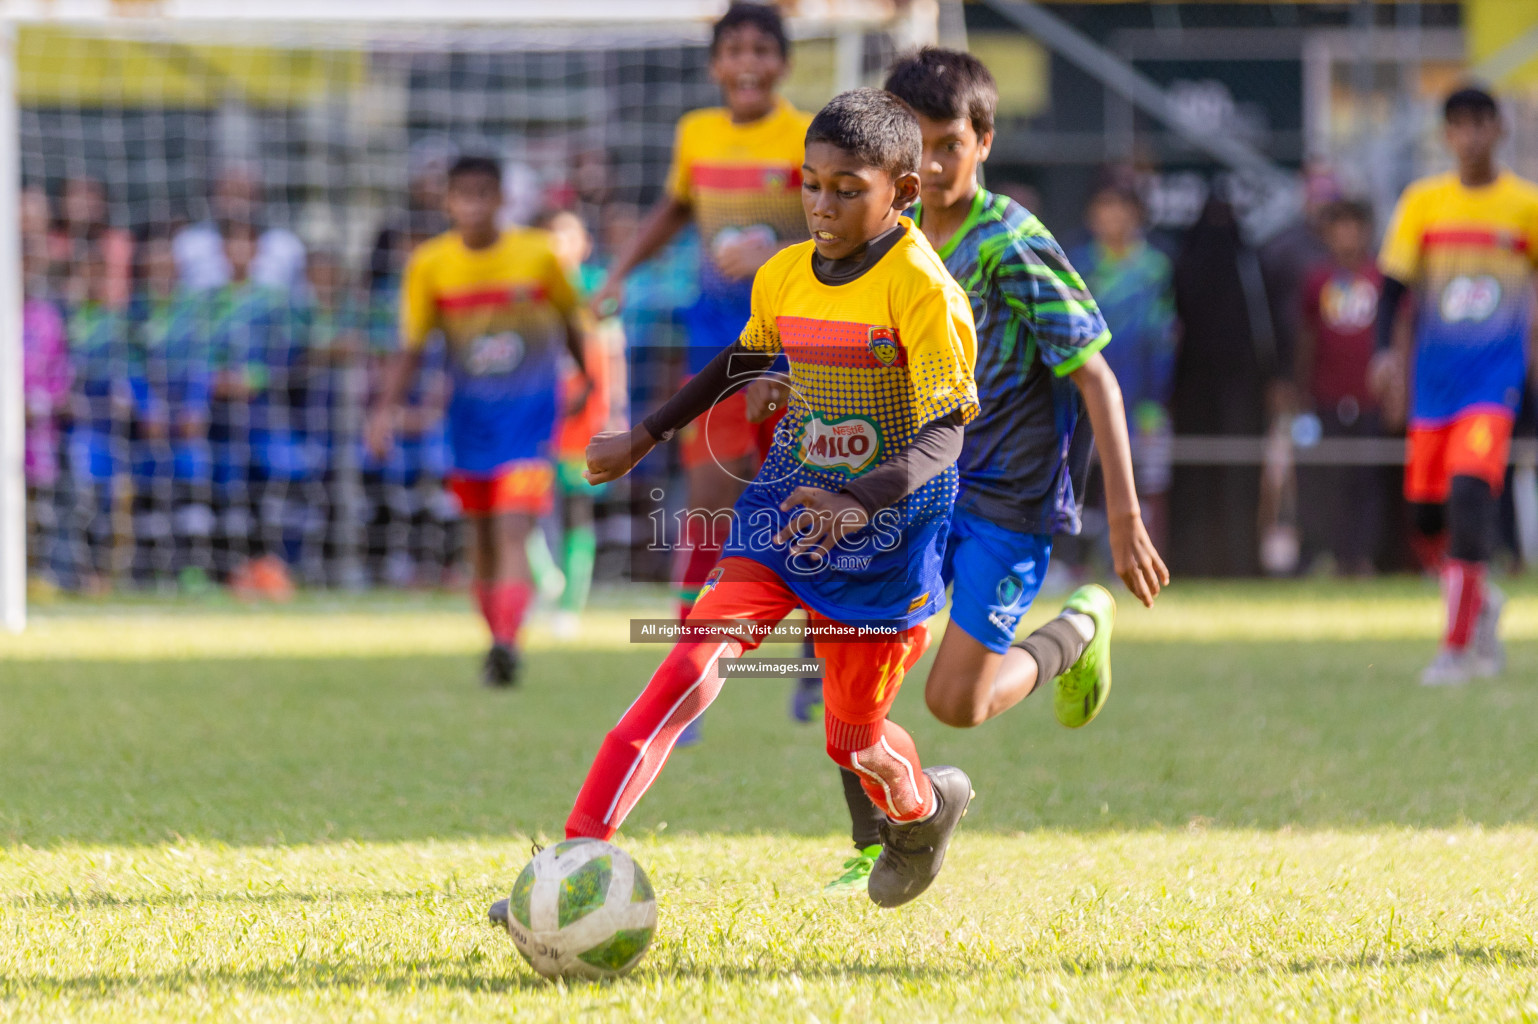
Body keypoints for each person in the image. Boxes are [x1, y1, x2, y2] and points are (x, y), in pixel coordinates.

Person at [509, 89, 983, 911]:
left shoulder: (924, 292)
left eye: (848, 190)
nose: (822, 206)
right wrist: (646, 434)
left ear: (902, 193)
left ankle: (926, 809)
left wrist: (860, 501)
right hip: (780, 514)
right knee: (685, 669)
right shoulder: (785, 273)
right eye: (811, 185)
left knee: (855, 740)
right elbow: (742, 357)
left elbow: (945, 436)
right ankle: (575, 863)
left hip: (883, 546)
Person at [814, 50, 1168, 894]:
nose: (931, 168)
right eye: (917, 147)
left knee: (955, 705)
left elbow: (1095, 375)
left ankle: (1075, 631)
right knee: (848, 639)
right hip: (915, 487)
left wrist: (1122, 519)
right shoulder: (880, 240)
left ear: (985, 142)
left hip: (1006, 498)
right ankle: (880, 838)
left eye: (949, 145)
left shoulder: (1011, 242)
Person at [589, 4, 809, 678]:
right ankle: (687, 670)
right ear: (716, 64)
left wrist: (778, 245)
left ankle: (818, 654)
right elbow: (675, 209)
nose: (748, 64)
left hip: (799, 349)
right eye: (735, 50)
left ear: (783, 63)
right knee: (707, 501)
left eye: (762, 51)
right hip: (718, 346)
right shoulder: (697, 134)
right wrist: (619, 273)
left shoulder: (806, 135)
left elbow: (840, 230)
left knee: (809, 502)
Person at [366, 156, 589, 687]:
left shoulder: (539, 256)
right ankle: (496, 638)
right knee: (480, 537)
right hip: (468, 421)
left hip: (531, 419)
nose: (473, 206)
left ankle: (507, 639)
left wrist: (587, 380)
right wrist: (383, 411)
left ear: (501, 199)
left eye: (483, 195)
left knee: (514, 527)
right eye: (462, 196)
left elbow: (570, 319)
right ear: (448, 201)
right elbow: (412, 346)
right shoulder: (430, 264)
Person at [1371, 86, 1538, 686]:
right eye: (1458, 126)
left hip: (1494, 384)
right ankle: (1482, 599)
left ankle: (1457, 648)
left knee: (1470, 494)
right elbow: (1391, 291)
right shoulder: (1423, 203)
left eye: (1481, 124)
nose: (1470, 137)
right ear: (1446, 136)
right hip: (1432, 386)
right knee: (1424, 518)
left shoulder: (1526, 206)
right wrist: (1386, 354)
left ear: (1499, 131)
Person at [1169, 196, 1276, 577]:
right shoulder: (1236, 264)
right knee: (1199, 470)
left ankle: (1237, 558)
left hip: (1235, 389)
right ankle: (1196, 559)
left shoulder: (1249, 268)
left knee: (1238, 470)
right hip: (1206, 387)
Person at [1073, 176, 1176, 553]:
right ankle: (1080, 564)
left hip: (1140, 398)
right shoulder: (1077, 263)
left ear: (1138, 215)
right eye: (1105, 208)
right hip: (1083, 394)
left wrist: (1154, 399)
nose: (1113, 218)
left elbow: (1162, 338)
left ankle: (1141, 558)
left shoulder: (1154, 268)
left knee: (1143, 482)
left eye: (1122, 208)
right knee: (1083, 481)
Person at [1295, 200, 1385, 576]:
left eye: (1354, 227)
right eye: (1340, 228)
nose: (1347, 236)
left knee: (1368, 479)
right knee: (1327, 479)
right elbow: (1306, 337)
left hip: (1371, 398)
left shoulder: (1381, 279)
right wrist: (1300, 389)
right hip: (1326, 397)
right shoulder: (1318, 280)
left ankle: (1362, 557)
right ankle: (1326, 554)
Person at [174, 163, 307, 297]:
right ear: (213, 198)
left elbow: (301, 303)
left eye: (243, 194)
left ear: (259, 198)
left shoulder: (285, 246)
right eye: (228, 195)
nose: (236, 204)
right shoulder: (189, 244)